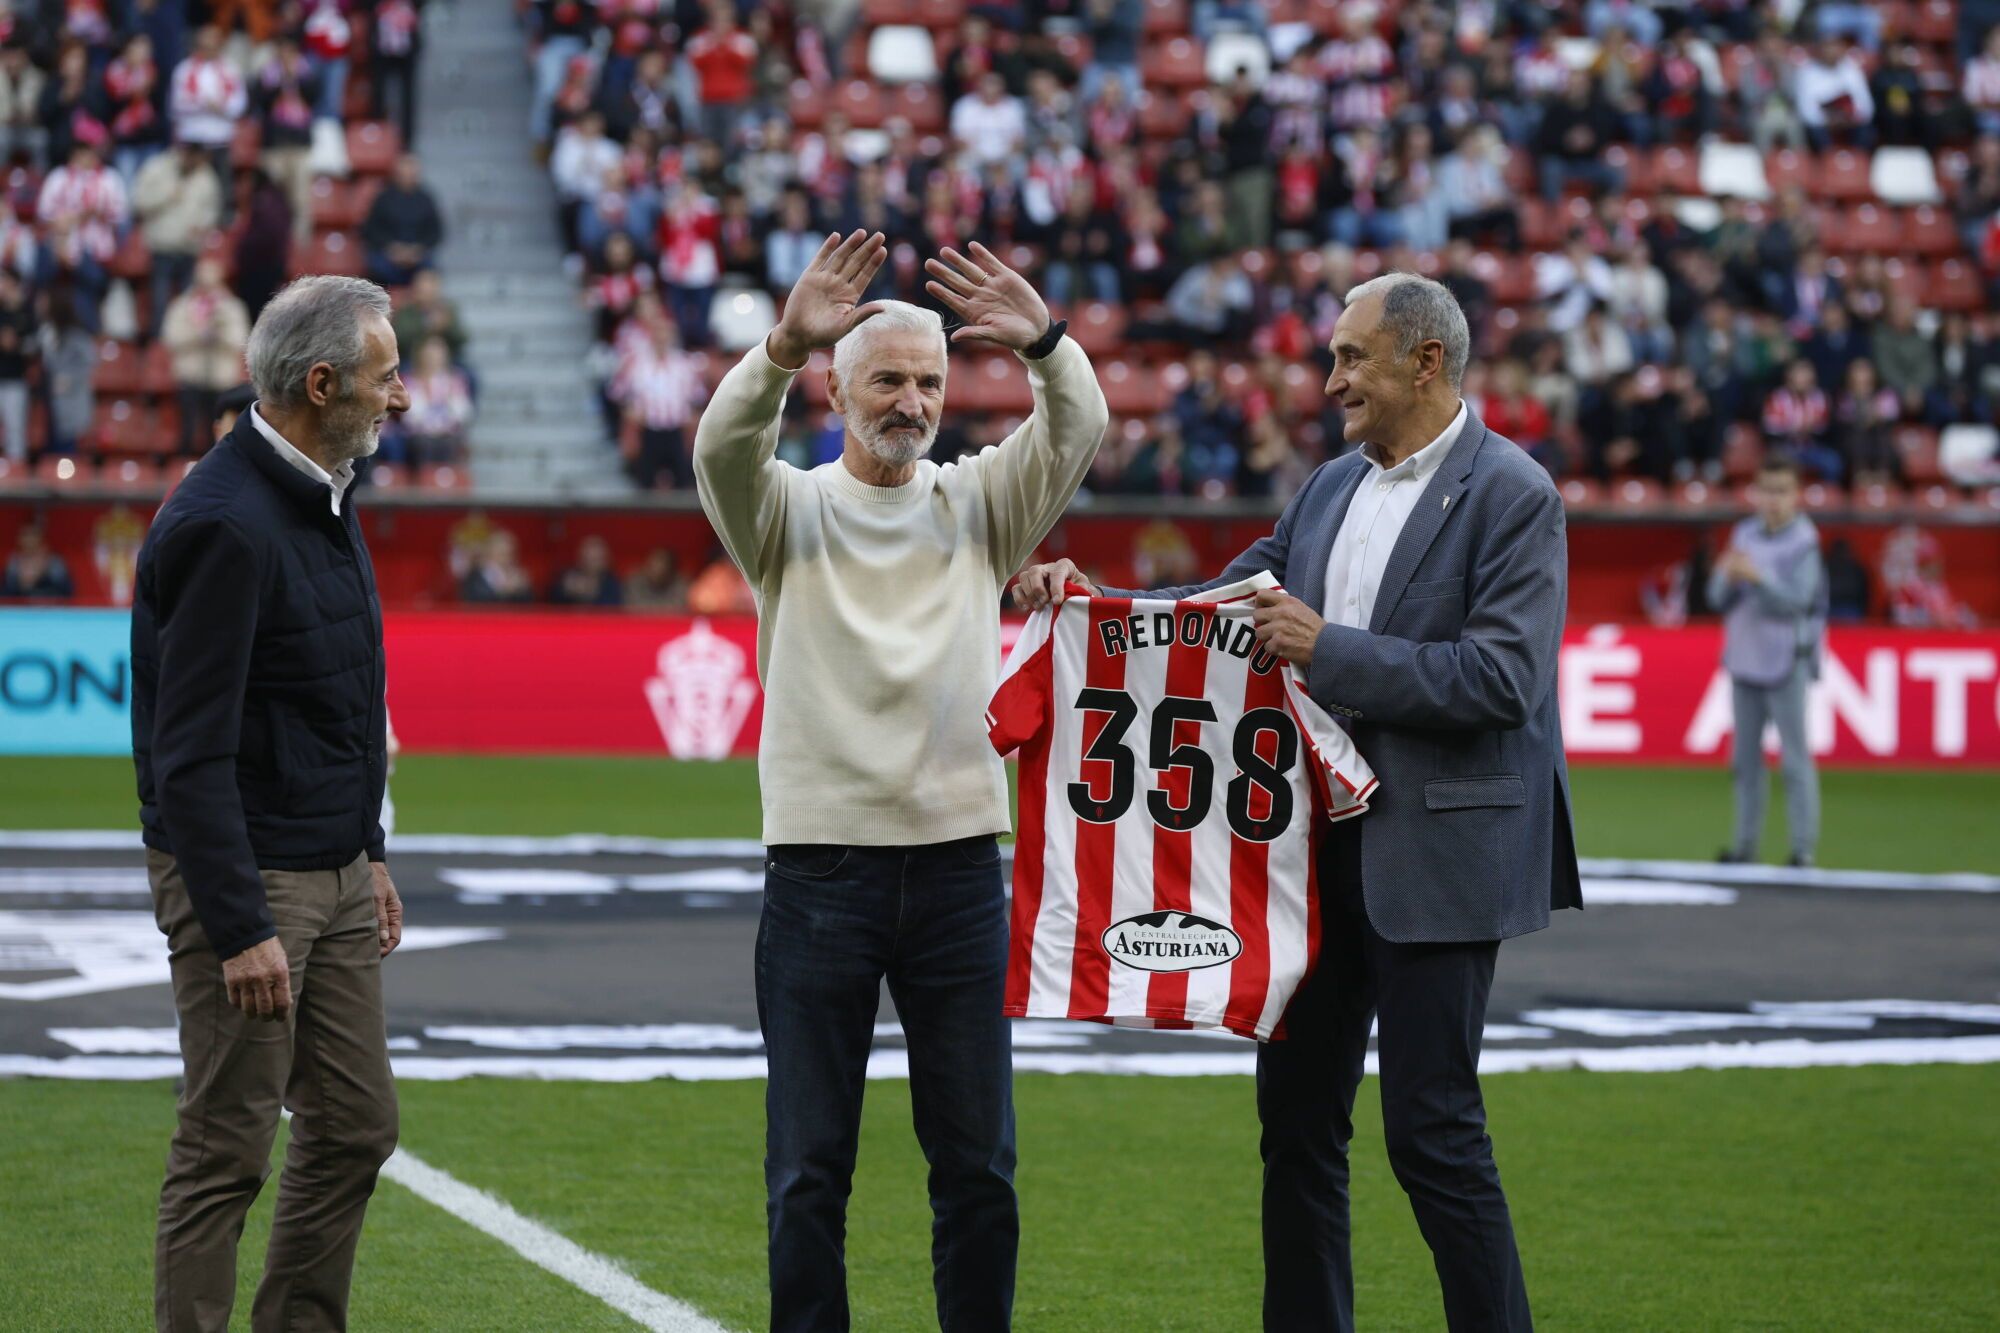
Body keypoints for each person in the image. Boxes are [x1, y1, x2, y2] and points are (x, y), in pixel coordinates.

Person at [1017, 272, 1577, 1332]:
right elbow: (1217, 607)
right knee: (1296, 1128)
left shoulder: (1514, 494)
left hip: (1437, 863)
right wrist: (1091, 603)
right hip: (1309, 861)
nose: (1329, 383)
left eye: (1349, 358)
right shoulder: (1325, 487)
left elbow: (1502, 680)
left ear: (1424, 360)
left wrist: (1333, 652)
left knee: (1431, 1132)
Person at [694, 230, 1108, 1331]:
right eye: (887, 377)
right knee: (806, 1170)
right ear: (836, 387)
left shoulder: (978, 505)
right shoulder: (784, 511)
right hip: (820, 874)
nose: (913, 399)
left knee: (977, 1167)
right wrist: (778, 345)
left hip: (961, 873)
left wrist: (1045, 345)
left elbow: (1078, 428)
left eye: (929, 380)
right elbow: (718, 451)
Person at [130, 275, 409, 1332]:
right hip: (253, 878)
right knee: (227, 1146)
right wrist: (239, 923)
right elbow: (185, 755)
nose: (403, 399)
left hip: (332, 866)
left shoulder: (321, 488)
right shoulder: (226, 524)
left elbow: (334, 698)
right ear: (323, 382)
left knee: (353, 1126)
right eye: (385, 378)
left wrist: (368, 849)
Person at [1709, 455, 1824, 868]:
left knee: (1794, 759)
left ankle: (1802, 849)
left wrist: (1757, 577)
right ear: (1755, 493)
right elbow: (1715, 598)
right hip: (1744, 655)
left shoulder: (1804, 541)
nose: (1773, 500)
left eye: (1782, 491)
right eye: (1767, 490)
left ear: (1795, 496)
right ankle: (1743, 846)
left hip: (1785, 659)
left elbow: (1800, 601)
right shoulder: (1744, 533)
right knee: (1744, 761)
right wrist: (1726, 576)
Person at [132, 140, 223, 338]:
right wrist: (166, 196)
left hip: (189, 250)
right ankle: (158, 347)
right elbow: (139, 202)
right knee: (160, 304)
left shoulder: (207, 177)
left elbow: (212, 211)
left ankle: (183, 344)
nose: (198, 164)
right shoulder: (157, 168)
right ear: (186, 153)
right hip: (162, 248)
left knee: (189, 306)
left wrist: (203, 226)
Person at [160, 257, 251, 455]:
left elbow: (240, 341)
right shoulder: (182, 306)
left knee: (219, 433)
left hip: (221, 380)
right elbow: (171, 338)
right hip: (189, 377)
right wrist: (197, 334)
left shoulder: (232, 308)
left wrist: (220, 329)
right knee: (187, 430)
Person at [360, 153, 445, 287]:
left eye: (412, 171)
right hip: (387, 255)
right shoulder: (383, 198)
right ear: (396, 173)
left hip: (417, 256)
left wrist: (418, 250)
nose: (408, 175)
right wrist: (392, 249)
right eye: (405, 171)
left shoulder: (426, 199)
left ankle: (423, 305)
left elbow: (436, 232)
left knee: (429, 271)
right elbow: (370, 230)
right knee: (377, 267)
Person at [2, 524, 73, 598]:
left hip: (47, 607)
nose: (29, 540)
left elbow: (66, 592)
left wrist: (42, 573)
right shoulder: (14, 561)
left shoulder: (54, 562)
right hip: (17, 607)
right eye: (26, 535)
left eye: (33, 535)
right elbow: (5, 592)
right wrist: (22, 583)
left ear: (41, 538)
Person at [549, 534, 621, 606]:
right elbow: (549, 602)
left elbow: (613, 608)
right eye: (589, 558)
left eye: (597, 559)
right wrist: (566, 590)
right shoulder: (567, 577)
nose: (592, 564)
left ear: (605, 560)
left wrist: (592, 593)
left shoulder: (611, 582)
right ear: (580, 557)